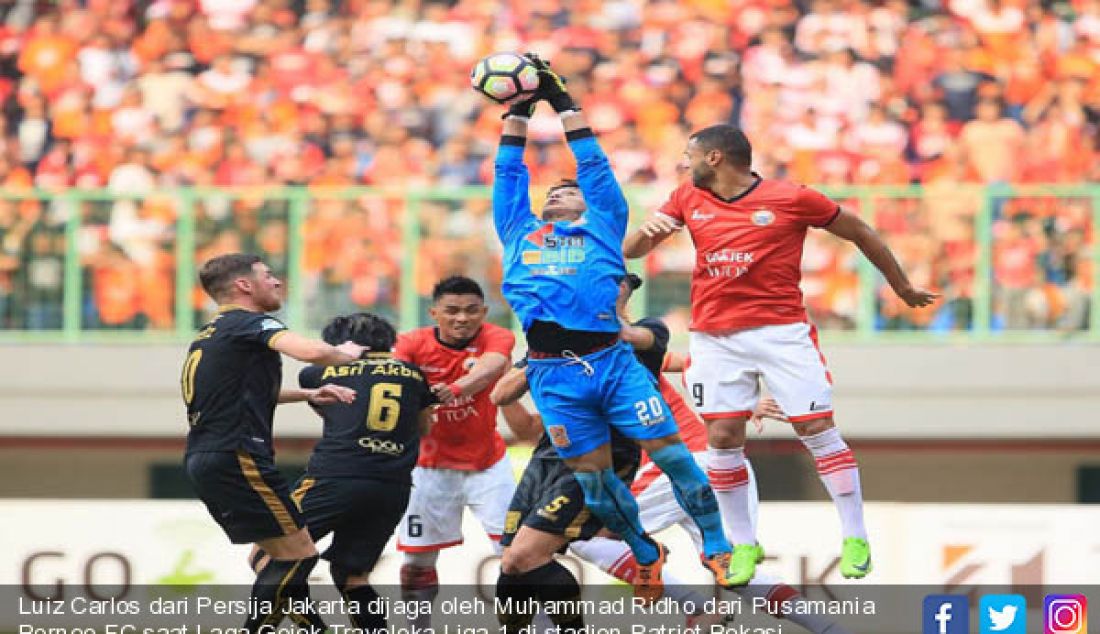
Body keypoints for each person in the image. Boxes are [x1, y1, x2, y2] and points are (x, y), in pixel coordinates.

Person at [624, 123, 939, 583]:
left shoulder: (792, 198)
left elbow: (861, 231)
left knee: (815, 427)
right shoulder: (684, 198)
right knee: (724, 439)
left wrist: (902, 286)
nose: (683, 162)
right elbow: (632, 249)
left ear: (714, 158)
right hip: (714, 337)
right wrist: (644, 233)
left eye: (690, 154)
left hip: (781, 333)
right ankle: (744, 544)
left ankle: (855, 536)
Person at [493, 55, 737, 598]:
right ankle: (644, 550)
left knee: (675, 458)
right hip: (553, 375)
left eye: (568, 189)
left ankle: (718, 548)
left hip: (612, 364)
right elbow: (508, 174)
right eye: (550, 191)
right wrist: (516, 114)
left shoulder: (604, 225)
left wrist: (563, 105)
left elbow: (595, 167)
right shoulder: (517, 232)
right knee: (596, 487)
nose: (558, 192)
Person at [181, 253, 366, 633]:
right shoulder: (247, 322)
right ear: (244, 285)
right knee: (299, 556)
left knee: (279, 557)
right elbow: (310, 351)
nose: (277, 282)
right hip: (238, 455)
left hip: (209, 455)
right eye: (268, 275)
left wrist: (308, 394)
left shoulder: (211, 334)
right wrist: (343, 354)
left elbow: (237, 393)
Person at [289, 312, 437, 632]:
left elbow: (323, 400)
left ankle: (315, 629)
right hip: (391, 486)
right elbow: (423, 426)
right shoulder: (414, 375)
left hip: (335, 477)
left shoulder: (318, 373)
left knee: (269, 559)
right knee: (353, 577)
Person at [391, 276, 516, 627]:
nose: (462, 318)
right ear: (434, 313)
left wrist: (456, 388)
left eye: (471, 310)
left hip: (488, 466)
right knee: (417, 564)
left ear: (484, 312)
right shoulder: (411, 343)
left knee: (516, 554)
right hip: (428, 468)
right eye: (452, 311)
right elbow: (398, 379)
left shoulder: (497, 336)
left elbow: (492, 366)